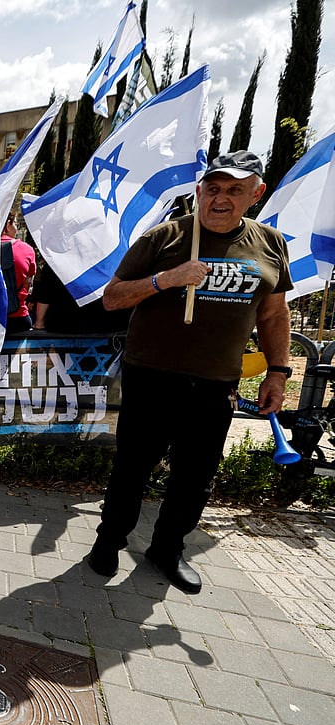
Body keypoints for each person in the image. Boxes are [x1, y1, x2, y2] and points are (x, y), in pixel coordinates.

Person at [86, 151, 292, 594]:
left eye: (234, 189)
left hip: (217, 383)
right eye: (212, 188)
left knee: (196, 475)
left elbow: (274, 314)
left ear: (256, 194)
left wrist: (278, 371)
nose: (220, 198)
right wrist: (168, 278)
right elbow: (113, 298)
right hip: (151, 378)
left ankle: (167, 548)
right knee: (132, 468)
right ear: (198, 191)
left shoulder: (270, 244)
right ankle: (108, 541)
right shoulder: (165, 237)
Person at [2, 213, 37, 333]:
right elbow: (28, 282)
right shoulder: (27, 249)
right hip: (18, 318)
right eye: (15, 224)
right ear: (8, 224)